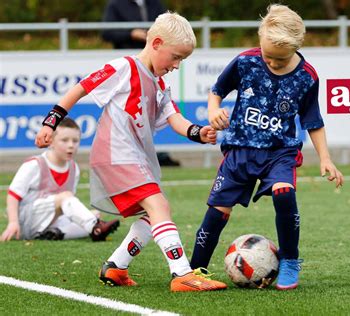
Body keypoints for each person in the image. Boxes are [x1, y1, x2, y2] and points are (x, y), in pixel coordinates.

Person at [35, 12, 227, 292]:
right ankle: (182, 273)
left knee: (154, 214)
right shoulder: (124, 67)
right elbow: (81, 88)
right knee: (158, 205)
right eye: (175, 57)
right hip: (116, 155)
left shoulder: (161, 84)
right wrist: (51, 122)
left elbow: (174, 117)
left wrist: (198, 132)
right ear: (157, 42)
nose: (177, 66)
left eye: (182, 60)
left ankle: (116, 267)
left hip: (134, 157)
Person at [189, 4, 344, 290]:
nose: (272, 63)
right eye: (268, 56)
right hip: (240, 151)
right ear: (260, 39)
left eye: (280, 60)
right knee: (218, 209)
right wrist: (214, 111)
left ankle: (290, 261)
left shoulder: (307, 77)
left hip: (280, 152)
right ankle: (195, 270)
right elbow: (217, 90)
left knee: (284, 193)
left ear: (295, 48)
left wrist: (326, 158)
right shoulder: (245, 61)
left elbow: (313, 121)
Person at [1, 118, 120, 242]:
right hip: (28, 221)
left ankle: (56, 233)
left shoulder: (74, 168)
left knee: (94, 214)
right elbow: (13, 195)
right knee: (69, 201)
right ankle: (95, 227)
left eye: (75, 141)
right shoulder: (35, 164)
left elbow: (68, 206)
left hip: (54, 220)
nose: (71, 145)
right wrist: (13, 223)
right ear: (51, 142)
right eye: (64, 140)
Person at [102, 0, 181, 167]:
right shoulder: (116, 5)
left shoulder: (155, 4)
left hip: (153, 64)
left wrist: (194, 132)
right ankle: (125, 152)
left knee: (153, 106)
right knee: (130, 107)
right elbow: (107, 32)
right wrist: (131, 33)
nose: (177, 65)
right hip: (131, 57)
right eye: (176, 59)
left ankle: (152, 151)